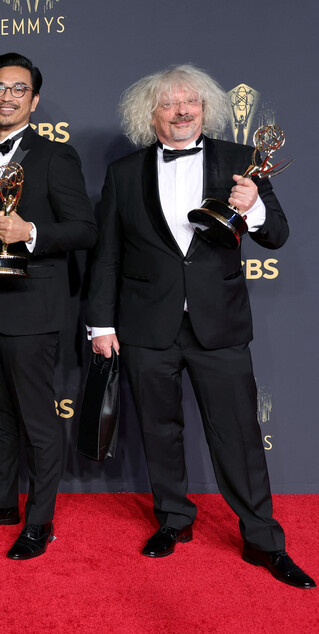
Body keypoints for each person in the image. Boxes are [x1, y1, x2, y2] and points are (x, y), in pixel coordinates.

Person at [86, 64, 314, 589]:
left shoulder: (242, 161)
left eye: (190, 102)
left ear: (205, 109)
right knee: (158, 431)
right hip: (146, 326)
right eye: (169, 104)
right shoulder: (124, 173)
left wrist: (254, 208)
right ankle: (173, 519)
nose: (182, 111)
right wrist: (100, 324)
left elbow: (276, 235)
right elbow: (106, 258)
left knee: (238, 435)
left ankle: (262, 539)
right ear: (151, 114)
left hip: (220, 326)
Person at [0, 52, 96, 559]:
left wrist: (32, 232)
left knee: (38, 422)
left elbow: (84, 230)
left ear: (33, 99)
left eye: (18, 89)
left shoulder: (55, 156)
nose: (6, 97)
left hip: (33, 311)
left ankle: (39, 521)